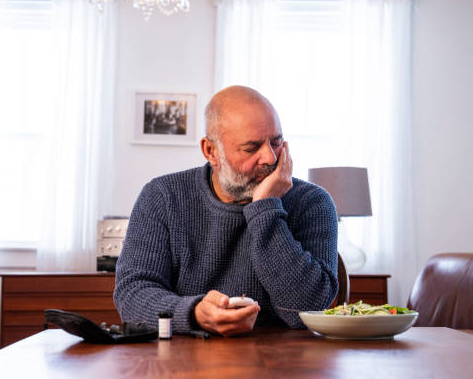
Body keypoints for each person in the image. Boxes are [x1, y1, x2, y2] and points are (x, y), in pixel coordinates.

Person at [114, 85, 338, 337]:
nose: (270, 159)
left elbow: (306, 310)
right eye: (251, 148)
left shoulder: (312, 202)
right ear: (211, 151)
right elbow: (132, 294)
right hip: (184, 362)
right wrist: (195, 313)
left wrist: (266, 208)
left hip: (282, 361)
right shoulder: (162, 196)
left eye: (276, 143)